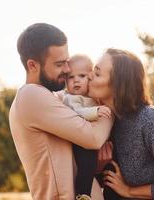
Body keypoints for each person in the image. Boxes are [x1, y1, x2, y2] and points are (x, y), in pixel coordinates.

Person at [9, 23, 113, 200]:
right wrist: (111, 105)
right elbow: (93, 138)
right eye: (59, 64)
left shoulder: (52, 97)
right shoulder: (31, 95)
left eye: (66, 61)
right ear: (33, 65)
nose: (67, 69)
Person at [88, 48, 154, 200]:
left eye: (97, 73)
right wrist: (99, 167)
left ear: (118, 85)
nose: (89, 76)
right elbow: (103, 182)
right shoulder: (102, 118)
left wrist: (129, 191)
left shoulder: (147, 120)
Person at [54, 54, 111, 199]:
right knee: (87, 165)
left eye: (82, 76)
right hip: (81, 143)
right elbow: (77, 112)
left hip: (94, 142)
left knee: (98, 169)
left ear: (90, 78)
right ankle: (83, 194)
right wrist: (96, 111)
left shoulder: (92, 97)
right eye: (71, 77)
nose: (76, 80)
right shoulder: (71, 98)